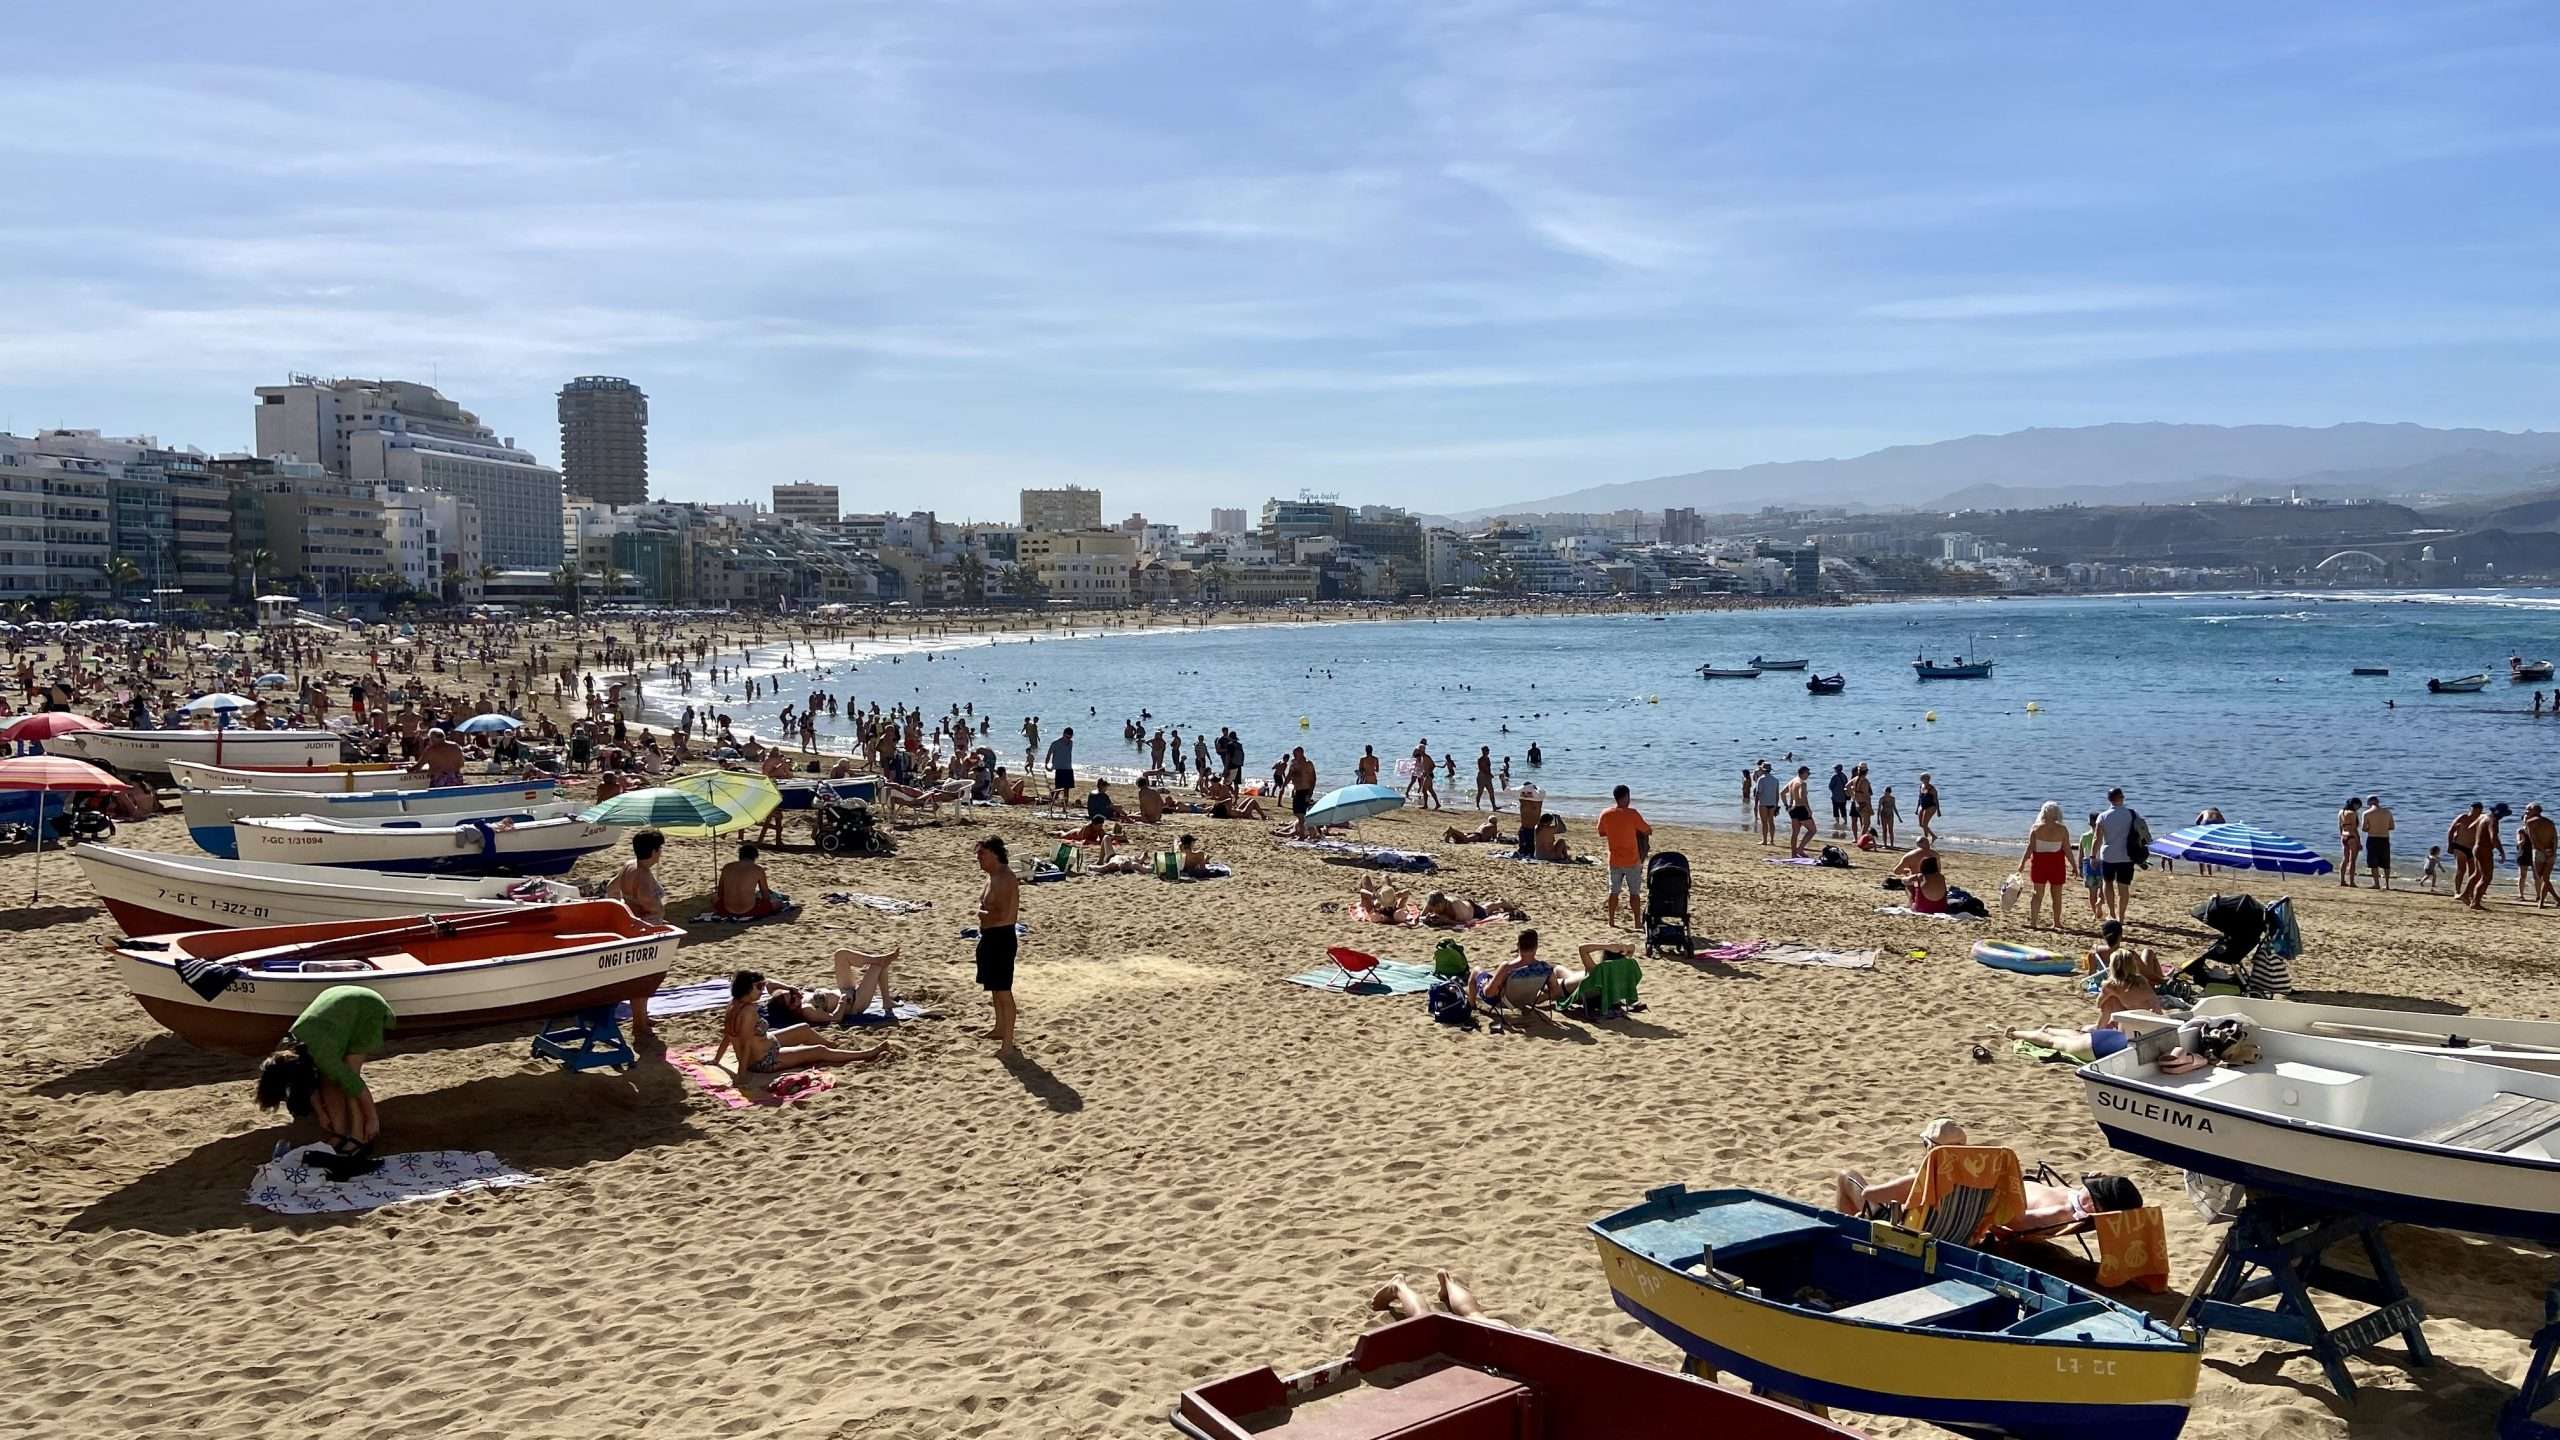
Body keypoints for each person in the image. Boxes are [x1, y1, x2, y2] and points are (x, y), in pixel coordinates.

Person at [256, 984, 392, 1154]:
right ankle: (340, 1133)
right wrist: (322, 1114)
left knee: (349, 1074)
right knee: (327, 1078)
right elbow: (309, 1082)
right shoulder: (284, 1051)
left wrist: (372, 1119)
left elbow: (355, 1086)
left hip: (366, 1008)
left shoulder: (321, 1057)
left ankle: (359, 1136)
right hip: (336, 1001)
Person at [711, 970, 894, 1076]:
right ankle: (867, 1053)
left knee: (804, 1030)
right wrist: (742, 1075)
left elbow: (728, 1034)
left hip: (767, 1044)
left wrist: (716, 1060)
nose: (761, 990)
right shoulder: (749, 1012)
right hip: (765, 1059)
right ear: (746, 988)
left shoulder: (734, 1004)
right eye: (758, 987)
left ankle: (834, 1046)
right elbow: (746, 1042)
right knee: (818, 1052)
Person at [2008, 949, 2160, 1060]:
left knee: (2056, 1041)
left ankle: (2017, 1033)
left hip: (2104, 1041)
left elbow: (2100, 1005)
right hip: (2110, 1042)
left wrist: (2108, 995)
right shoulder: (2142, 982)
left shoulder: (2111, 985)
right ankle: (2030, 1031)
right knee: (2069, 1039)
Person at [1833, 1117, 1968, 1217]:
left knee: (1846, 1177)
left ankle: (1843, 1235)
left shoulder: (1922, 1181)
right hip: (1953, 1237)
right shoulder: (1977, 1183)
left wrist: (1906, 1182)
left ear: (1931, 1148)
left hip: (1906, 1239)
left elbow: (1869, 1195)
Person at [605, 829, 668, 1042]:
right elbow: (651, 907)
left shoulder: (629, 865)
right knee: (644, 978)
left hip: (633, 925)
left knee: (642, 978)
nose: (661, 853)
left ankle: (642, 1018)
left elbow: (611, 889)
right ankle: (639, 1025)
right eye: (660, 849)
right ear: (654, 851)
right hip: (645, 928)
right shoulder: (643, 876)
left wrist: (626, 912)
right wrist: (656, 918)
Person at [974, 836, 1021, 1058]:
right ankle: (999, 1028)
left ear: (994, 853)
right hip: (990, 937)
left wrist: (980, 913)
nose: (978, 858)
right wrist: (981, 911)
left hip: (1001, 937)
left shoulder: (1004, 878)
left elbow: (999, 913)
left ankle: (1008, 1044)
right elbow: (983, 904)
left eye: (981, 854)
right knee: (994, 987)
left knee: (1003, 991)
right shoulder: (991, 877)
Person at [1595, 784, 1652, 927]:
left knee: (1613, 891)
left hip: (1614, 859)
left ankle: (1611, 921)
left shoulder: (1606, 814)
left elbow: (1601, 832)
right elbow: (1647, 830)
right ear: (1626, 797)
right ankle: (1637, 922)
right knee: (1634, 893)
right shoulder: (1632, 814)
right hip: (1632, 859)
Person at [2014, 801, 2076, 929]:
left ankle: (2033, 922)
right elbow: (2067, 850)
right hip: (2056, 864)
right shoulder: (2062, 829)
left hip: (2039, 864)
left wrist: (2022, 864)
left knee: (2037, 894)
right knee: (2057, 895)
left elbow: (2029, 849)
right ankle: (2056, 922)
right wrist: (2074, 865)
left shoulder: (2036, 828)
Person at [2093, 787, 2137, 923]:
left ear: (2109, 800)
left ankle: (2112, 914)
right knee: (2123, 887)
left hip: (2108, 855)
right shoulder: (2131, 814)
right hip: (2126, 855)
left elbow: (2097, 839)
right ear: (2122, 798)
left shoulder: (2103, 816)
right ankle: (2121, 916)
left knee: (2108, 883)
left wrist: (2092, 856)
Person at [714, 841, 790, 919]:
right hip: (749, 910)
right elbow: (765, 895)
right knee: (779, 903)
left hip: (727, 910)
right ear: (755, 857)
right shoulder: (758, 870)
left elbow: (720, 893)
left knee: (714, 898)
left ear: (740, 856)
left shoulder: (727, 867)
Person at [2526, 803, 2559, 908]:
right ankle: (2543, 902)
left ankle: (2552, 899)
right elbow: (2555, 838)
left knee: (2541, 878)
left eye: (2528, 810)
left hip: (2540, 851)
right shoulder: (2549, 822)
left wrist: (2543, 851)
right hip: (2551, 851)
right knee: (2546, 878)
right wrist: (2553, 851)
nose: (2527, 812)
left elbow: (2534, 840)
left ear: (2534, 811)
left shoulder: (2530, 822)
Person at [1782, 765, 1816, 857]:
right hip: (1801, 808)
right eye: (1808, 773)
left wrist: (1786, 805)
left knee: (1795, 832)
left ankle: (1793, 853)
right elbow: (1803, 797)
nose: (1808, 775)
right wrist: (1808, 809)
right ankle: (1800, 849)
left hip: (1792, 809)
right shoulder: (1802, 783)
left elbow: (1782, 793)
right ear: (1803, 773)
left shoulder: (1792, 781)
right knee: (1812, 830)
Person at [2362, 795, 2395, 890]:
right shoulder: (2387, 812)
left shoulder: (2366, 813)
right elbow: (2392, 827)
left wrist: (2372, 828)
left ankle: (2376, 884)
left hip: (2372, 838)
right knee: (2386, 862)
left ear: (2369, 803)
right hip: (2384, 838)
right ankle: (2387, 884)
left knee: (2373, 863)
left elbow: (2364, 828)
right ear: (2378, 802)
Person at [1043, 726, 1076, 803]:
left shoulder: (1071, 743)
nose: (1068, 739)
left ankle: (1065, 806)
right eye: (1067, 737)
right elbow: (1049, 755)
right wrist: (1046, 765)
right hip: (1060, 768)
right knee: (1059, 787)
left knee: (1066, 789)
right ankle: (1052, 799)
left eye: (1070, 737)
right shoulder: (1055, 743)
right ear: (1063, 734)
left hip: (1068, 768)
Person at [2335, 797, 2363, 887]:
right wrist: (2359, 841)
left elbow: (2340, 826)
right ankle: (2351, 882)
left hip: (2344, 836)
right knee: (2352, 860)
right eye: (2358, 805)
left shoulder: (2341, 812)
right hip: (2352, 836)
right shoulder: (2353, 813)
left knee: (2345, 859)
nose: (2358, 807)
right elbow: (2354, 829)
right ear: (2354, 804)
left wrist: (2341, 836)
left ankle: (2342, 880)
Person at [1752, 763, 1781, 846]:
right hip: (1772, 803)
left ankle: (1764, 840)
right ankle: (1772, 840)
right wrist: (1776, 804)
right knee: (1771, 822)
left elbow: (1758, 792)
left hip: (1763, 803)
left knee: (1764, 822)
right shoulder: (1775, 780)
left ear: (1762, 770)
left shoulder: (1761, 779)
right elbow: (1777, 793)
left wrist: (1755, 804)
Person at [1916, 772, 1941, 844]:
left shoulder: (1932, 789)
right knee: (1921, 824)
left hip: (1931, 806)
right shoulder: (1921, 786)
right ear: (1922, 779)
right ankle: (1933, 836)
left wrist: (1938, 811)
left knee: (1924, 824)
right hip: (1922, 806)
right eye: (1925, 779)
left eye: (1928, 779)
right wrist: (1917, 808)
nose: (1927, 780)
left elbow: (1936, 800)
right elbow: (1919, 797)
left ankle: (1925, 839)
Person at [1828, 764, 1850, 834]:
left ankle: (1837, 823)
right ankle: (1845, 822)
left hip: (1835, 797)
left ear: (1836, 769)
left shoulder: (1834, 776)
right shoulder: (1844, 776)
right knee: (1843, 809)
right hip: (1843, 797)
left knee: (1836, 810)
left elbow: (1830, 786)